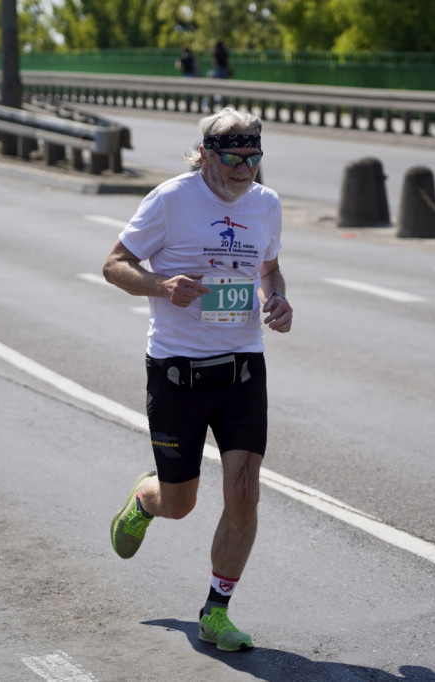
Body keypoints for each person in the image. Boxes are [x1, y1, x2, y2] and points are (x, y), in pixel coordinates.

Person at [103, 107, 292, 652]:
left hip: (241, 367)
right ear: (206, 156)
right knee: (180, 502)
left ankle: (216, 609)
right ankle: (145, 499)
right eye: (234, 158)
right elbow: (114, 264)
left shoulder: (266, 204)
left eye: (254, 157)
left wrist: (275, 298)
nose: (245, 170)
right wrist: (163, 285)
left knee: (244, 491)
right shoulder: (170, 199)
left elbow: (269, 267)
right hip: (177, 372)